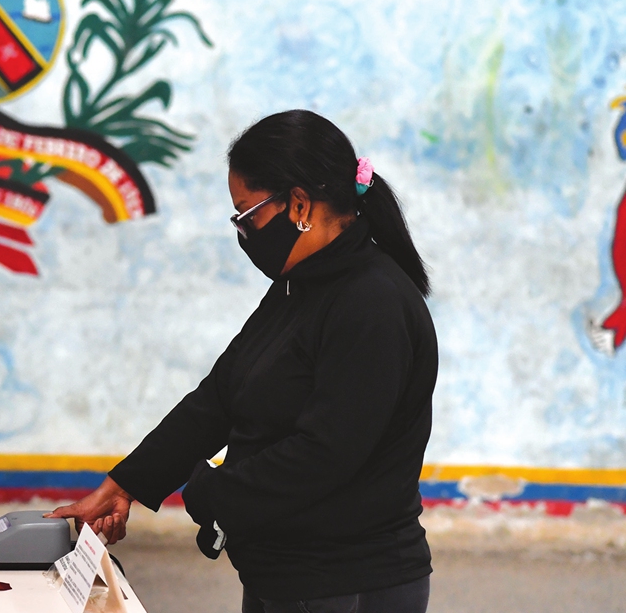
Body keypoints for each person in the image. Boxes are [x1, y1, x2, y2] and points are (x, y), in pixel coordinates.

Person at [52, 110, 438, 613]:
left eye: (247, 216)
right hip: (285, 576)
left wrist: (211, 493)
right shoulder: (299, 288)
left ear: (299, 203)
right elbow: (220, 397)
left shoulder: (372, 304)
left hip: (346, 582)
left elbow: (325, 453)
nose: (243, 233)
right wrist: (125, 483)